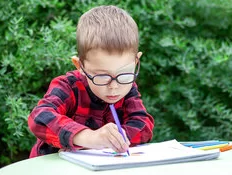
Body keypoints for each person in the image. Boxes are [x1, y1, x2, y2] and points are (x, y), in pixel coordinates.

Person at [28, 5, 154, 158]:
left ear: (136, 61)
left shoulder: (128, 87)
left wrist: (116, 139)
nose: (114, 87)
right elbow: (39, 118)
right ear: (80, 65)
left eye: (124, 75)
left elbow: (143, 125)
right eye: (102, 77)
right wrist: (89, 138)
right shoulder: (68, 86)